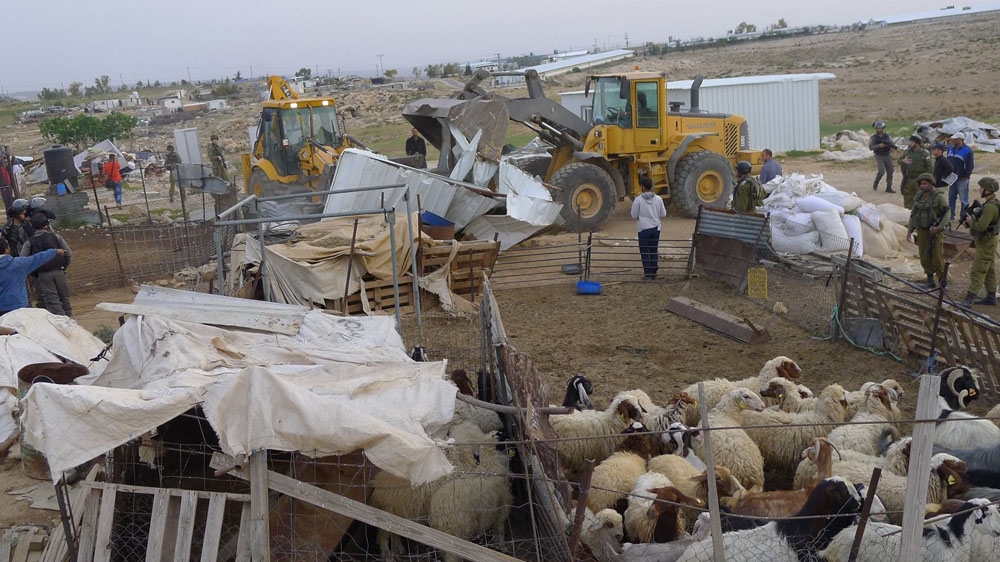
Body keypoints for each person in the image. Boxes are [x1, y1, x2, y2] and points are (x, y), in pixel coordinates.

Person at [21, 214, 72, 316]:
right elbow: (68, 254)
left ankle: (61, 319)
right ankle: (69, 317)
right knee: (64, 297)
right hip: (59, 271)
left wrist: (33, 273)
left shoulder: (29, 242)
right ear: (46, 225)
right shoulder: (56, 237)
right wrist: (63, 266)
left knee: (52, 299)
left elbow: (23, 259)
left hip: (42, 274)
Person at [0, 237, 65, 316]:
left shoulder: (18, 263)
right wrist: (55, 251)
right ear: (7, 250)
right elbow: (38, 258)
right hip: (19, 307)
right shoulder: (19, 264)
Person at [960, 177, 999, 306]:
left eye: (982, 188)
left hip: (986, 241)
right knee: (989, 269)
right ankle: (991, 296)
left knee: (978, 269)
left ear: (988, 190)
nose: (979, 190)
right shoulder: (990, 204)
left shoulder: (990, 207)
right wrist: (971, 223)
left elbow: (981, 226)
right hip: (987, 240)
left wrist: (971, 222)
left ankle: (969, 298)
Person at [906, 173, 949, 289]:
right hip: (922, 231)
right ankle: (930, 280)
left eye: (925, 184)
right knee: (924, 256)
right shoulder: (919, 196)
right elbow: (914, 214)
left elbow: (947, 213)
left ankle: (942, 282)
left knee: (937, 257)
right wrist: (910, 230)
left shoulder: (938, 197)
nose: (922, 186)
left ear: (931, 184)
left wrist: (939, 227)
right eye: (921, 184)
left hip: (935, 232)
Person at [631, 176, 666, 280]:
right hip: (656, 228)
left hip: (643, 229)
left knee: (644, 252)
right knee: (653, 250)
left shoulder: (638, 200)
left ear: (642, 186)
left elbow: (633, 215)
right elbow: (663, 214)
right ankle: (654, 271)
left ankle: (648, 274)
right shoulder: (658, 199)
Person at [898, 135, 932, 209]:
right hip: (908, 179)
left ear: (917, 143)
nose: (910, 143)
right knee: (907, 198)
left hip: (920, 179)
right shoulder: (907, 152)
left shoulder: (924, 153)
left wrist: (929, 180)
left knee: (921, 198)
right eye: (910, 141)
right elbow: (898, 161)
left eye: (912, 142)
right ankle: (908, 212)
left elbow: (929, 168)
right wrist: (903, 161)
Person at [947, 132, 975, 223]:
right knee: (951, 197)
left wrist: (966, 176)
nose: (953, 140)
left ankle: (963, 217)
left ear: (961, 140)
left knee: (964, 199)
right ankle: (950, 216)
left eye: (955, 139)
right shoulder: (950, 149)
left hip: (962, 178)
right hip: (952, 177)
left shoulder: (967, 151)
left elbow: (970, 165)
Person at [869, 121, 896, 193]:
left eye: (880, 128)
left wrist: (892, 148)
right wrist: (879, 145)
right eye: (877, 128)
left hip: (887, 154)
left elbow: (891, 143)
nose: (879, 129)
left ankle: (889, 187)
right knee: (881, 171)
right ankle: (876, 183)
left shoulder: (887, 136)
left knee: (890, 171)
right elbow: (871, 147)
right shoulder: (873, 137)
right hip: (879, 155)